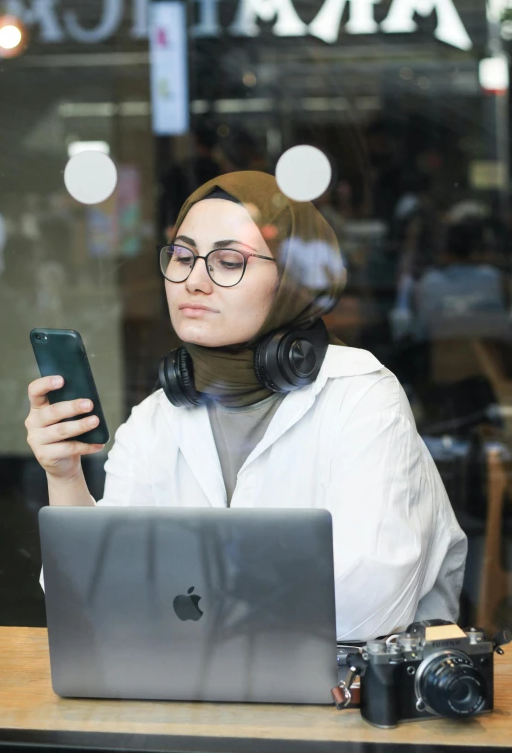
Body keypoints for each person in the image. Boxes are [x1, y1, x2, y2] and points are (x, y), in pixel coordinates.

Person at [25, 171, 467, 641]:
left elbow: (366, 607)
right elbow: (89, 598)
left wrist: (169, 589)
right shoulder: (158, 415)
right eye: (182, 255)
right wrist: (65, 476)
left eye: (229, 261)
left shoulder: (361, 396)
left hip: (347, 703)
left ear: (292, 281)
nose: (194, 281)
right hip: (194, 692)